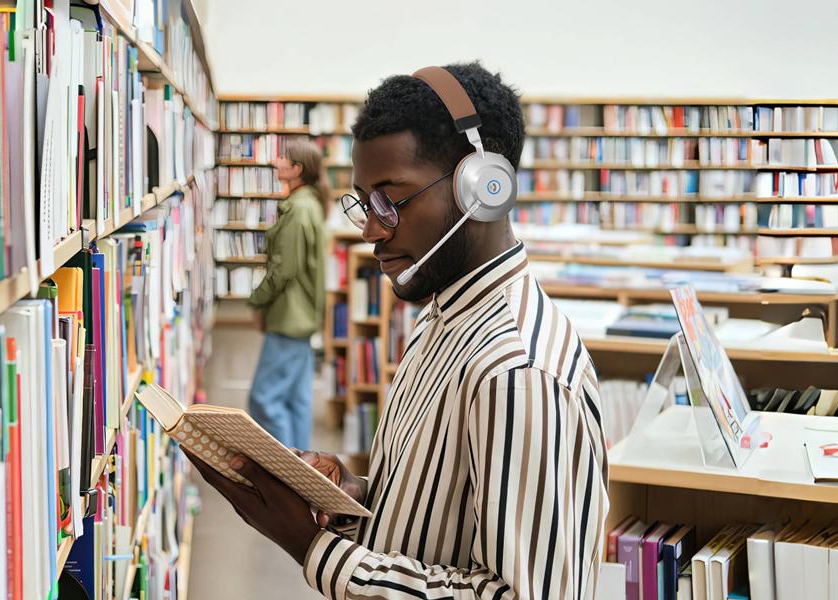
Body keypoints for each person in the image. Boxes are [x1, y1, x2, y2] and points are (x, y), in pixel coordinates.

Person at [186, 62, 608, 600]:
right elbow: (443, 519)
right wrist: (351, 493)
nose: (370, 229)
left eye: (392, 198)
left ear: (485, 188)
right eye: (365, 201)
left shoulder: (519, 374)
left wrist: (310, 547)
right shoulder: (443, 317)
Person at [245, 138, 327, 451]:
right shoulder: (309, 204)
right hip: (303, 317)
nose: (276, 161)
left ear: (297, 169)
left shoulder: (298, 210)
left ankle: (285, 470)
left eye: (283, 158)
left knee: (264, 399)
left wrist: (256, 301)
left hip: (290, 317)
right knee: (296, 401)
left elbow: (283, 270)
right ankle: (301, 470)